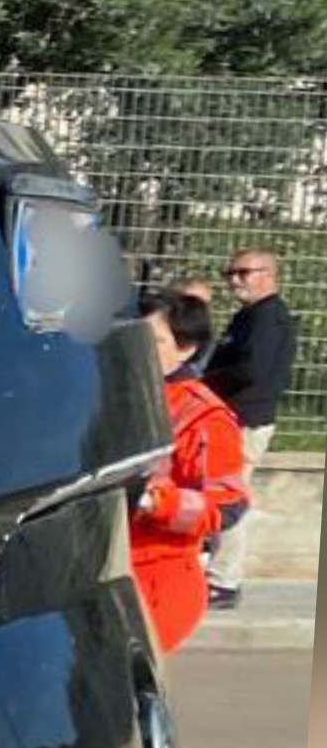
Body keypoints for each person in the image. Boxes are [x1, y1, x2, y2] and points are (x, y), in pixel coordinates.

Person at [134, 289, 251, 655]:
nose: (137, 350)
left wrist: (154, 501)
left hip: (157, 585)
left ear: (186, 348)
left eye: (152, 340)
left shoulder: (203, 416)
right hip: (103, 573)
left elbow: (227, 505)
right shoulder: (120, 397)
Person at [205, 250, 292, 609]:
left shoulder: (268, 319)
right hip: (233, 419)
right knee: (218, 493)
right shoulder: (252, 316)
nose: (234, 280)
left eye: (243, 272)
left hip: (244, 421)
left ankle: (224, 580)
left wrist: (206, 383)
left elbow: (251, 371)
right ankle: (215, 572)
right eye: (230, 272)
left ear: (269, 275)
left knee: (229, 498)